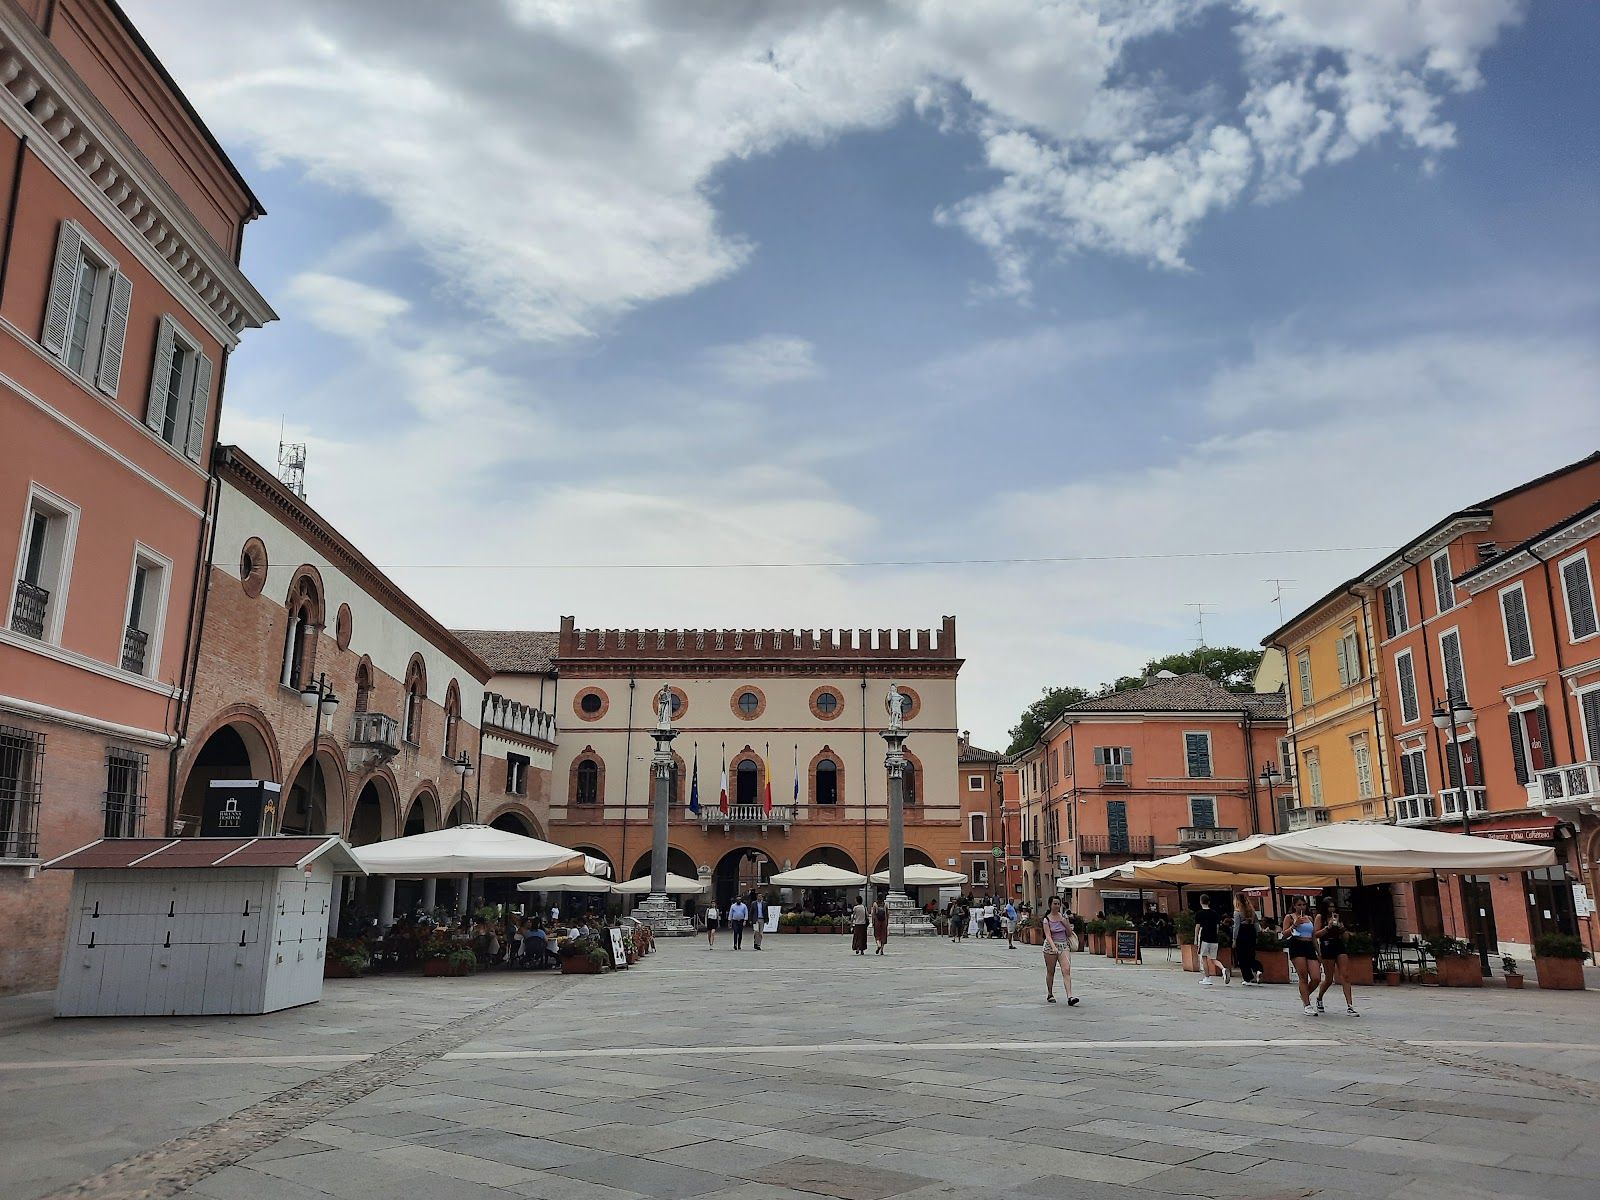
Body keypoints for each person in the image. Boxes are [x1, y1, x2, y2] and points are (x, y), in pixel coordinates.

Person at [1314, 898, 1358, 1016]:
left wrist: (1342, 928)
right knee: (1329, 979)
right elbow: (1315, 934)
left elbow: (1346, 938)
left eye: (1333, 906)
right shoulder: (1320, 917)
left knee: (1345, 975)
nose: (1332, 909)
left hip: (1339, 945)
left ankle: (1350, 1005)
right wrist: (1327, 927)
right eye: (1329, 907)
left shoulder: (1338, 917)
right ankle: (1319, 998)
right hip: (1327, 945)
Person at [1282, 895, 1322, 1015]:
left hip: (1309, 945)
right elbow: (1284, 934)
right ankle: (1307, 1004)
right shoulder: (1289, 917)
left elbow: (1313, 935)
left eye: (1303, 905)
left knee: (1316, 978)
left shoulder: (1309, 917)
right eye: (1299, 905)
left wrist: (1318, 951)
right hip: (1297, 944)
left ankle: (1304, 995)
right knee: (1303, 976)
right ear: (1294, 906)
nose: (1302, 907)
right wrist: (1295, 925)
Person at [1041, 896, 1079, 1005]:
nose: (1057, 906)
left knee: (1066, 970)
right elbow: (1048, 935)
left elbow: (1069, 933)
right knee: (1051, 971)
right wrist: (1053, 946)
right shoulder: (1046, 920)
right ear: (1050, 905)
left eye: (1058, 904)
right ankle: (1050, 993)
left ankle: (1070, 996)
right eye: (1055, 904)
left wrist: (1064, 922)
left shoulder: (1063, 917)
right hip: (1050, 947)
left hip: (1063, 946)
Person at [1195, 895, 1228, 986]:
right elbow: (1217, 927)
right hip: (1214, 939)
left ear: (1201, 902)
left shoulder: (1199, 914)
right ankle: (1223, 969)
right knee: (1213, 959)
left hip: (1204, 938)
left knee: (1204, 958)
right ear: (1209, 902)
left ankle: (1207, 978)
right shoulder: (1215, 913)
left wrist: (1195, 939)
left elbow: (1197, 927)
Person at [1232, 896, 1262, 985]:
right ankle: (1258, 969)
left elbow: (1236, 927)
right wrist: (1257, 935)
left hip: (1242, 933)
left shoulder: (1237, 912)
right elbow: (1257, 925)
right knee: (1251, 954)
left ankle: (1247, 978)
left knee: (1242, 957)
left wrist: (1234, 939)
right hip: (1251, 932)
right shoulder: (1252, 912)